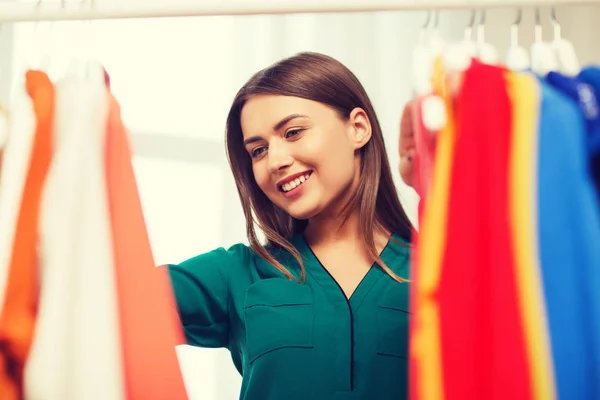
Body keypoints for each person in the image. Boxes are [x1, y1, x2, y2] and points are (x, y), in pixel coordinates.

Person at [164, 51, 415, 400]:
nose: (276, 161)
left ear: (357, 128)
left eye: (293, 132)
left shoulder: (437, 271)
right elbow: (103, 303)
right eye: (258, 150)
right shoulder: (238, 275)